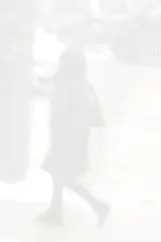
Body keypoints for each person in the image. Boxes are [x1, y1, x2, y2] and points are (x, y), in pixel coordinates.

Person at [39, 44, 110, 227]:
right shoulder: (80, 83)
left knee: (64, 176)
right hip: (72, 137)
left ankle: (98, 206)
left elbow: (64, 110)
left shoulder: (72, 84)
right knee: (58, 174)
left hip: (68, 138)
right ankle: (56, 211)